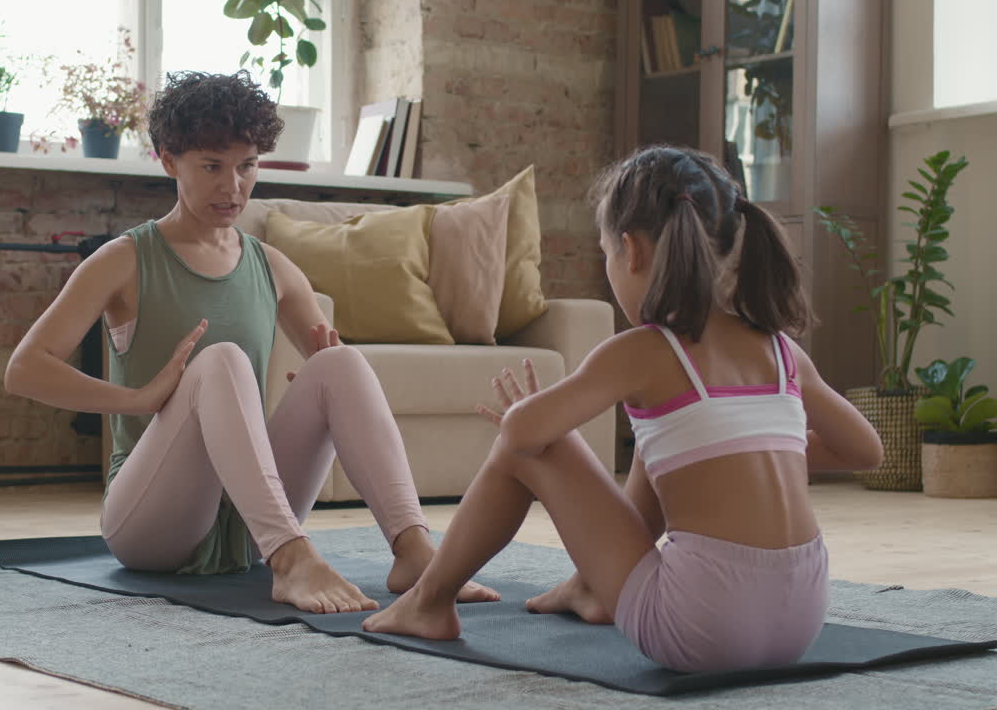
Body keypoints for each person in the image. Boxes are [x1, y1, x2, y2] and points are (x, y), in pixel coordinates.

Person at [361, 145, 885, 673]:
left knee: (530, 451)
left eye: (605, 254)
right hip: (801, 623)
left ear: (630, 251)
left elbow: (523, 436)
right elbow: (865, 451)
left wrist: (525, 411)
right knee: (666, 438)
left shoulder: (642, 351)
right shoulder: (781, 350)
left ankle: (429, 602)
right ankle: (590, 588)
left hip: (700, 628)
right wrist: (753, 449)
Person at [4, 70, 495, 615]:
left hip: (247, 522)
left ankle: (414, 551)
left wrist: (320, 385)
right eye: (212, 166)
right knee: (222, 360)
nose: (233, 186)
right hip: (153, 525)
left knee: (342, 363)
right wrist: (138, 399)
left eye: (247, 166)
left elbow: (334, 381)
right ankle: (291, 559)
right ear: (168, 161)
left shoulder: (273, 267)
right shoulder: (125, 259)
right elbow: (24, 369)